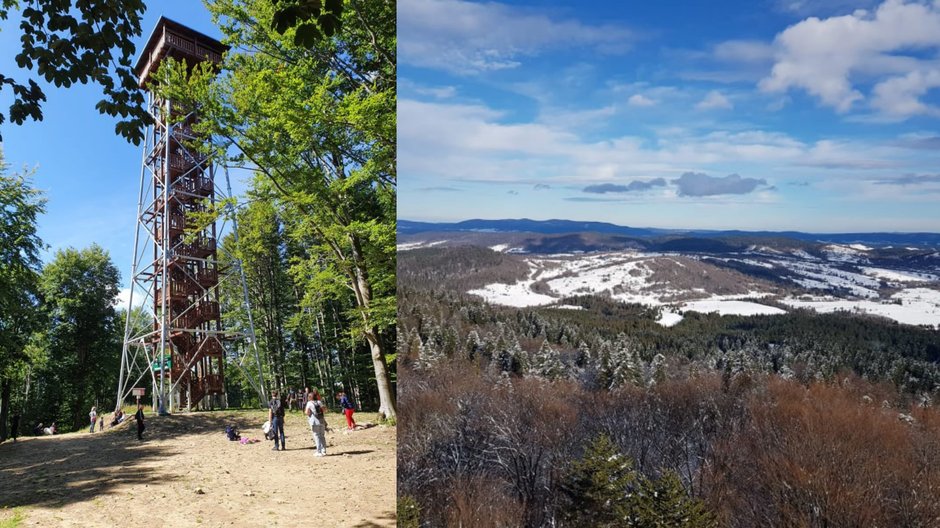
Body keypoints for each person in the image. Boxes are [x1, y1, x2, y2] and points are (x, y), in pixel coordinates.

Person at [305, 390, 327, 457]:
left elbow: (307, 412)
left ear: (310, 397)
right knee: (322, 435)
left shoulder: (309, 403)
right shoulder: (319, 402)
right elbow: (325, 410)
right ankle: (324, 450)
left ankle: (318, 451)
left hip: (314, 421)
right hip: (322, 420)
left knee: (316, 436)